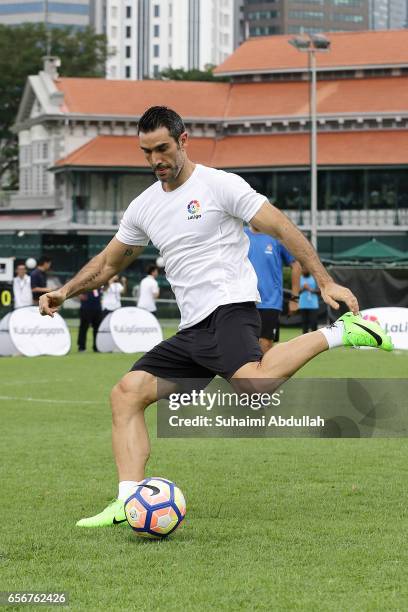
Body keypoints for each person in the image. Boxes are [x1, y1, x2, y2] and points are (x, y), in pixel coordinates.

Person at [38, 106, 393, 528]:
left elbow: (281, 227)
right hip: (192, 329)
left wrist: (326, 282)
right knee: (127, 394)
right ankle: (128, 500)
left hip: (230, 308)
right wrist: (65, 290)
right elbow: (110, 262)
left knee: (253, 385)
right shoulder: (143, 207)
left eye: (163, 149)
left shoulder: (220, 185)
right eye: (147, 152)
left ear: (183, 140)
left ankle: (343, 333)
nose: (156, 160)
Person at [245, 224, 301, 353]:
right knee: (244, 347)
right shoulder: (240, 235)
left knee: (265, 345)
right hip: (244, 300)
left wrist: (295, 298)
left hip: (269, 303)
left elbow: (296, 266)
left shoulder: (276, 238)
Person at [299, 268, 320, 334]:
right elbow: (296, 292)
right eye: (303, 269)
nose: (304, 270)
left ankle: (315, 340)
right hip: (303, 304)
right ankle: (305, 341)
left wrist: (310, 289)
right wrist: (303, 288)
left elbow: (320, 291)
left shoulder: (314, 278)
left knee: (314, 323)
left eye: (306, 269)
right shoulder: (299, 278)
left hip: (313, 305)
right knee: (304, 324)